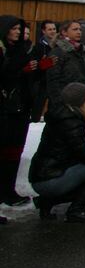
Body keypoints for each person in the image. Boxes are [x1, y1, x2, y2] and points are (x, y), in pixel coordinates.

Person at [28, 82, 85, 222]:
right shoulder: (71, 122)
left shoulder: (60, 115)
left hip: (42, 175)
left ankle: (47, 202)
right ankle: (76, 210)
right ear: (82, 100)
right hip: (50, 179)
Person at [1, 16, 50, 207]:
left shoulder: (23, 50)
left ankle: (8, 190)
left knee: (14, 152)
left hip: (21, 108)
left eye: (19, 29)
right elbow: (7, 75)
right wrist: (22, 70)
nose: (18, 32)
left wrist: (39, 68)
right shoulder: (3, 50)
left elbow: (28, 76)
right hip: (5, 109)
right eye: (14, 28)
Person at [46, 20, 85, 115]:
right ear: (64, 32)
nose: (79, 32)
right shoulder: (57, 52)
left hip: (83, 103)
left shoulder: (82, 51)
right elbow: (52, 80)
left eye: (80, 29)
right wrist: (59, 104)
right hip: (64, 105)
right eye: (75, 29)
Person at [28, 19, 59, 122]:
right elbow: (34, 67)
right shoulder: (38, 47)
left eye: (54, 29)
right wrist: (43, 64)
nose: (53, 31)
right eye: (49, 29)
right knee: (36, 111)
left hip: (56, 82)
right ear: (43, 31)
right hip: (42, 83)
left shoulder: (60, 45)